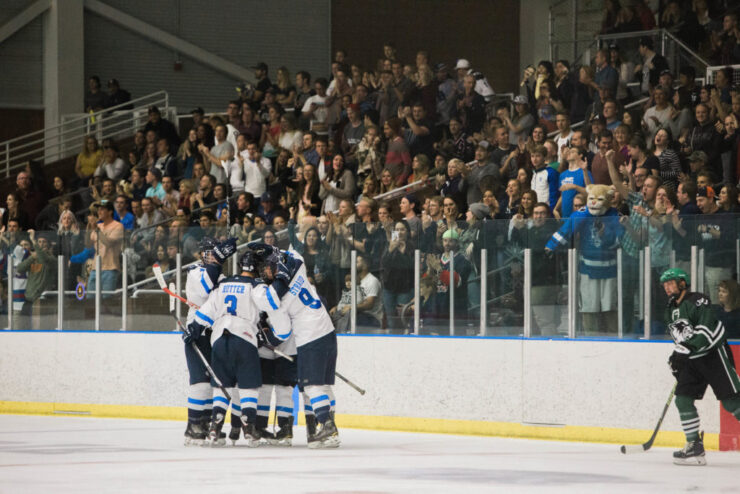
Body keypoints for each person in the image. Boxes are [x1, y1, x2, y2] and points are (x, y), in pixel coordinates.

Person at [248, 243, 340, 448]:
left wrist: (267, 340)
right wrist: (270, 248)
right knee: (323, 385)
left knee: (311, 385)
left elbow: (282, 332)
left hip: (310, 337)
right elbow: (291, 254)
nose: (264, 271)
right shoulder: (297, 265)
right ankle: (330, 427)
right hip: (327, 331)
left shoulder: (276, 301)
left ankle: (327, 427)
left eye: (266, 267)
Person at [184, 245, 271, 447]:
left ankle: (214, 429)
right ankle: (249, 429)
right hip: (244, 337)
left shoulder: (223, 284)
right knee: (249, 386)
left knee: (222, 385)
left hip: (219, 339)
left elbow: (206, 312)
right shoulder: (257, 286)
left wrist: (194, 329)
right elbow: (269, 308)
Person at [660, 268, 740, 465]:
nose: (667, 288)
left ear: (682, 283)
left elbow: (707, 330)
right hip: (693, 359)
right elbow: (680, 337)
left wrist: (686, 348)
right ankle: (694, 446)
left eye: (671, 283)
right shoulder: (670, 310)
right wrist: (676, 356)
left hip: (713, 355)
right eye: (665, 285)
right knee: (683, 400)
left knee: (732, 403)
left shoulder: (698, 300)